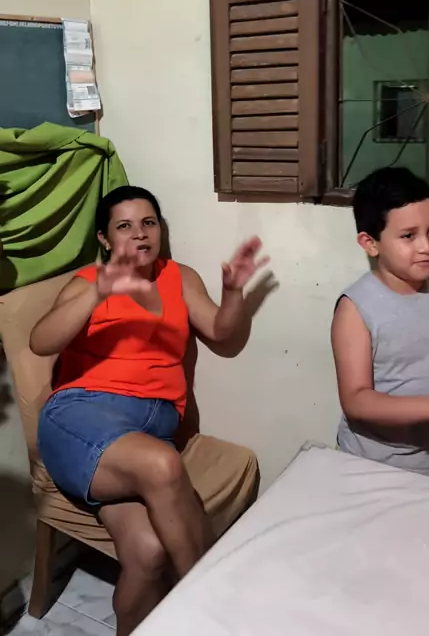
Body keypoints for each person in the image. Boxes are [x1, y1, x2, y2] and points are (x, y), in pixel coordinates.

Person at [31, 185, 269, 636]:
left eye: (148, 223)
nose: (140, 234)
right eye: (124, 226)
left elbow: (222, 333)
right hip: (81, 418)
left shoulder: (179, 277)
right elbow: (40, 342)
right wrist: (98, 291)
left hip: (147, 430)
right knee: (163, 465)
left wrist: (234, 292)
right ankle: (214, 610)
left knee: (148, 553)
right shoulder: (88, 282)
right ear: (104, 239)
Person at [332, 166, 429, 480]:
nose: (426, 246)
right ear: (370, 243)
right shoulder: (356, 308)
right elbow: (356, 399)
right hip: (373, 467)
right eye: (408, 235)